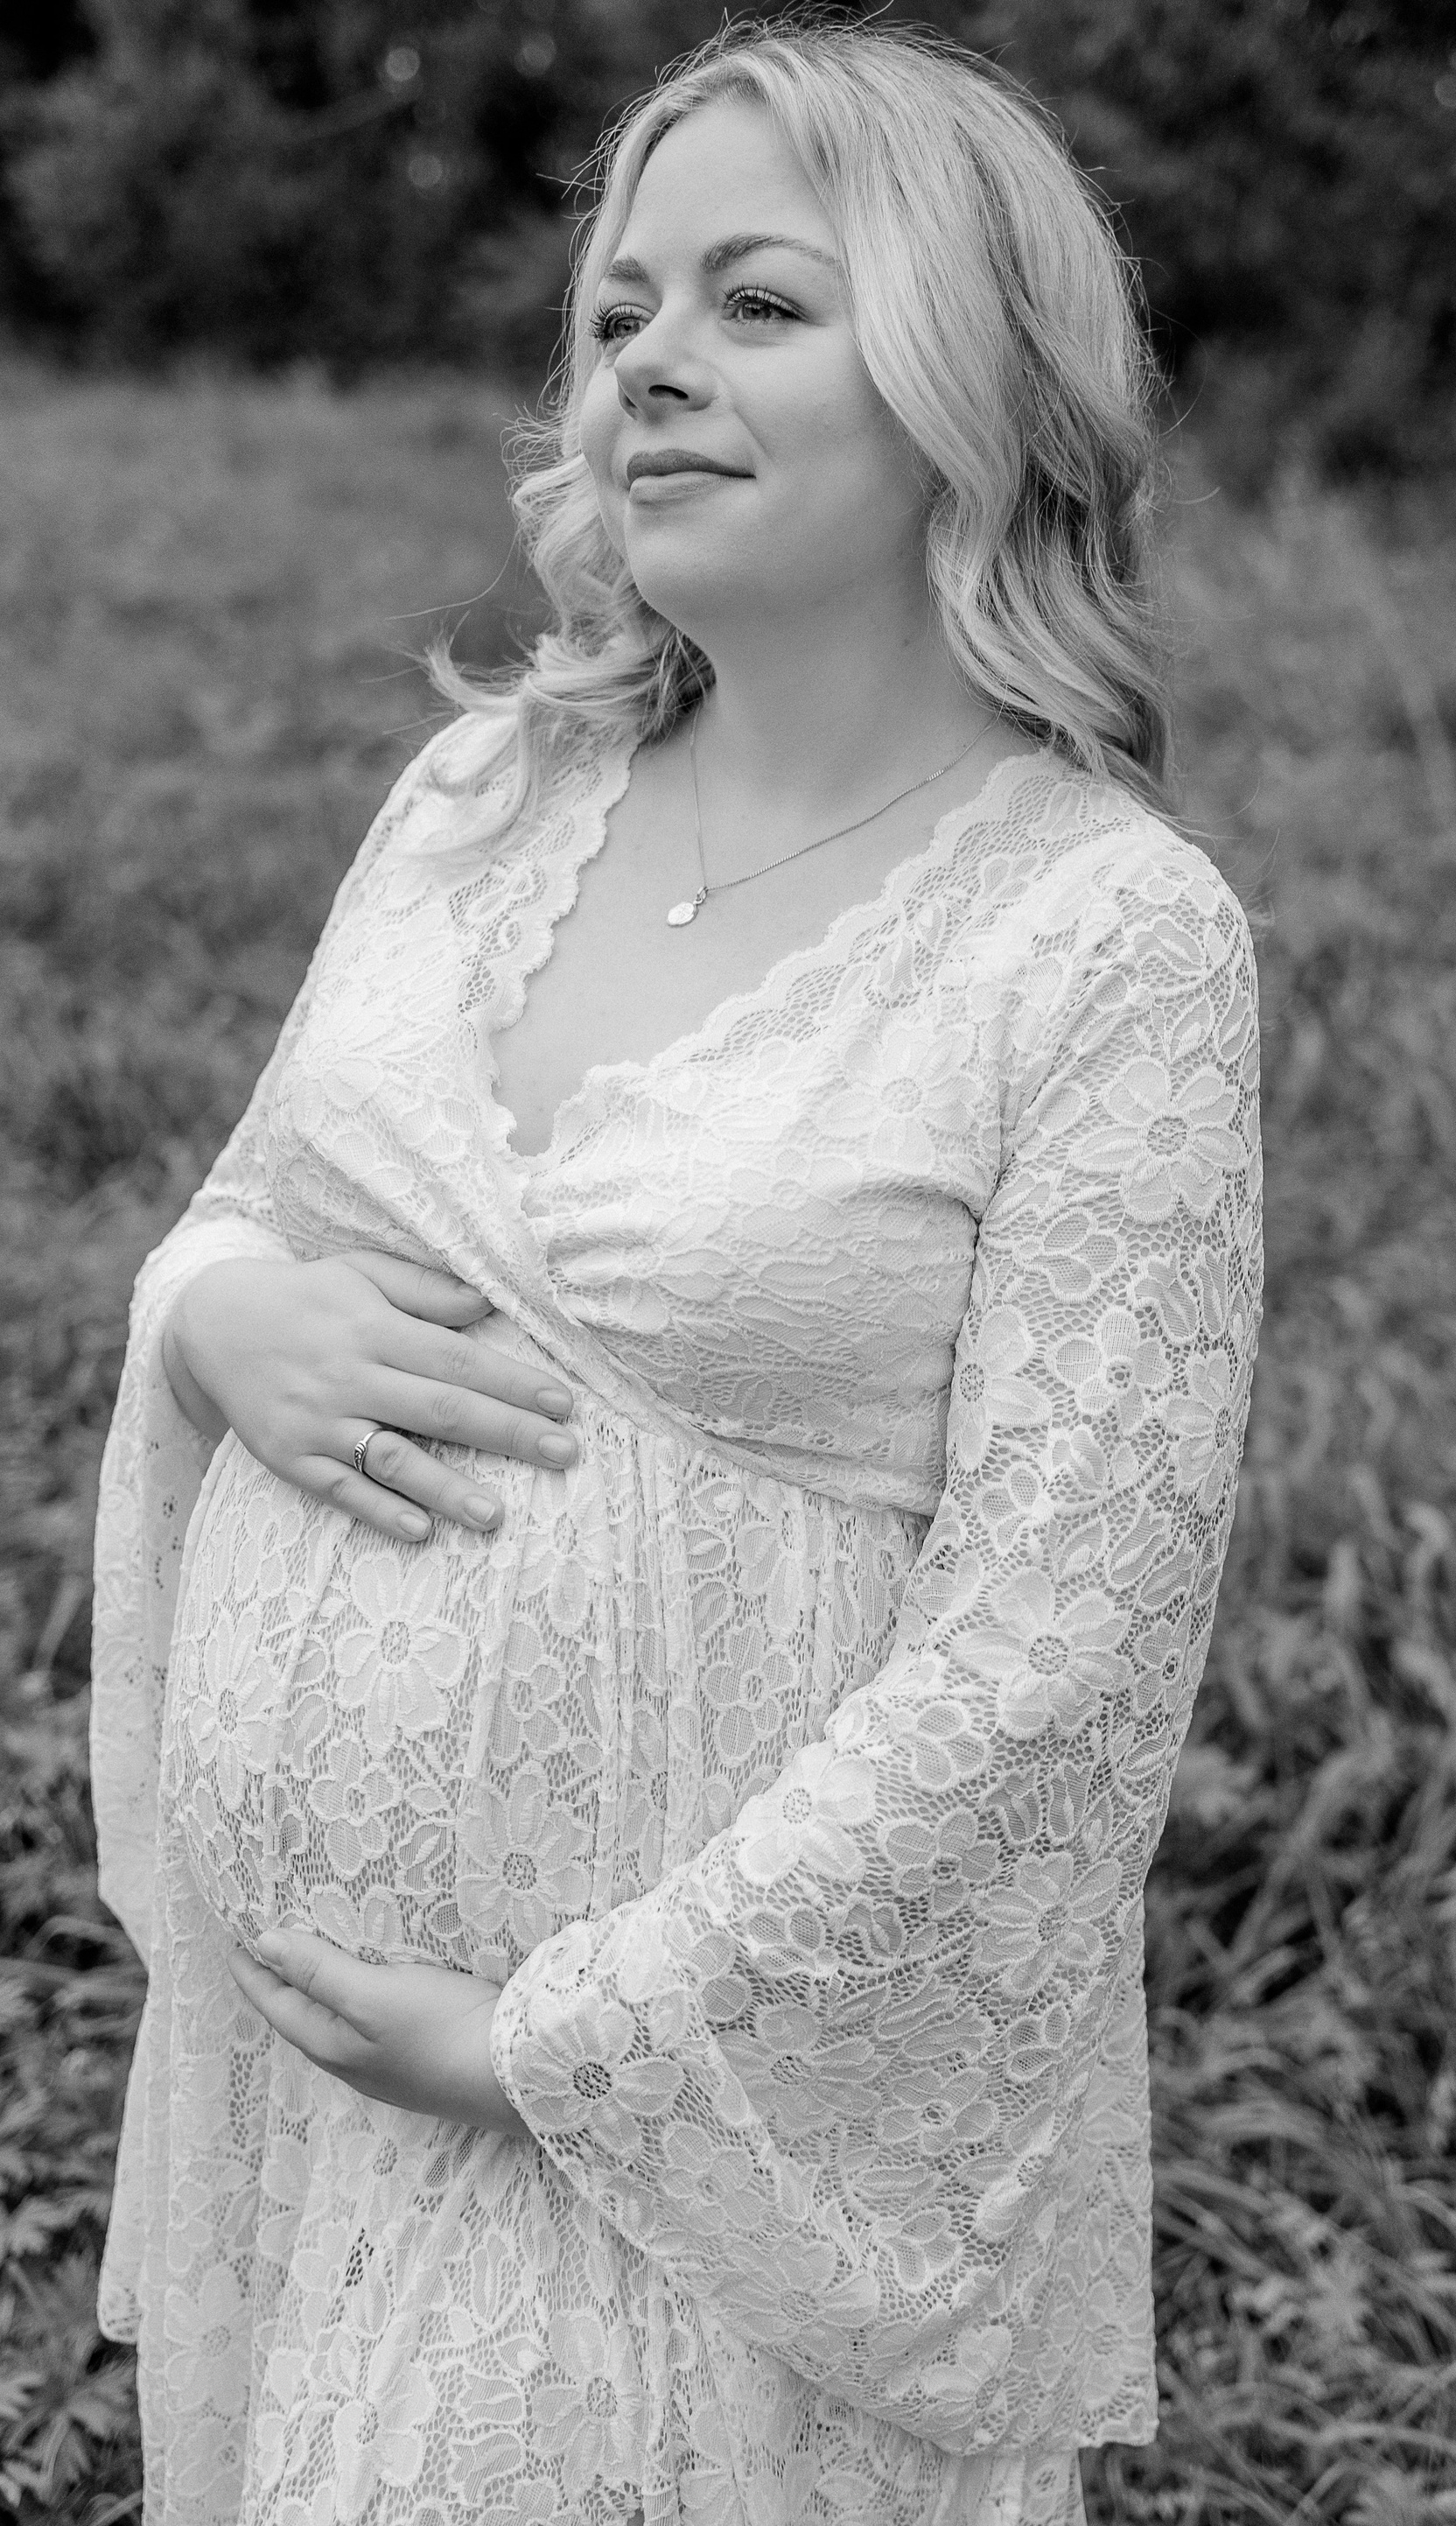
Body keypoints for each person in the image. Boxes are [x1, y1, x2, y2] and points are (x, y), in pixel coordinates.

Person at [91, 21, 1263, 2526]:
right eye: (621, 308)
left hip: (693, 2138)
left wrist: (570, 2040)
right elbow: (242, 1209)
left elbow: (1064, 1647)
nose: (648, 361)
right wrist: (211, 1319)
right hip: (322, 2100)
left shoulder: (1102, 936)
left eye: (760, 302)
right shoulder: (481, 794)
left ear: (973, 381)